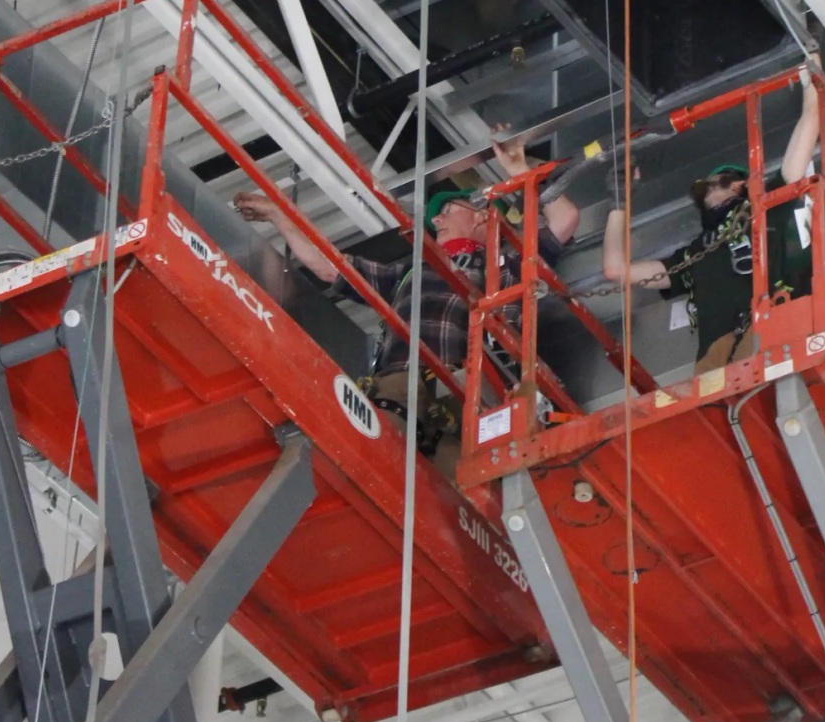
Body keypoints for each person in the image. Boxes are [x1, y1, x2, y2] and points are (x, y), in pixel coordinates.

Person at [234, 134, 578, 471]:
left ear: (482, 215)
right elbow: (329, 268)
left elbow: (564, 219)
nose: (437, 220)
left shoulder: (510, 264)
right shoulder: (410, 274)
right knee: (368, 467)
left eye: (446, 210)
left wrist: (519, 169)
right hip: (399, 392)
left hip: (471, 402)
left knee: (459, 499)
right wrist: (281, 215)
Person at [602, 63, 820, 375]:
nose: (703, 193)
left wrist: (813, 65)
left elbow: (809, 124)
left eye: (709, 186)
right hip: (715, 366)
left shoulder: (765, 206)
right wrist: (618, 205)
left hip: (770, 334)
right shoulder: (692, 256)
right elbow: (617, 271)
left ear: (737, 186)